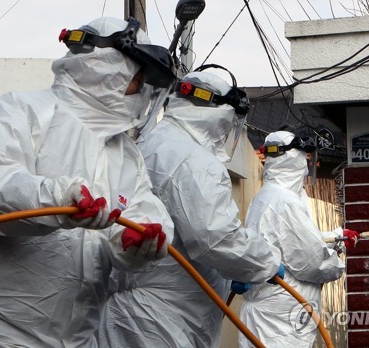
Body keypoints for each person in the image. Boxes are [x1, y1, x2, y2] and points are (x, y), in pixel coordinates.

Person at [0, 16, 177, 347]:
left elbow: (142, 208)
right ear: (109, 65)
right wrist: (57, 200)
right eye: (136, 75)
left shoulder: (124, 153)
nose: (140, 88)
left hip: (80, 336)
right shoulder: (19, 111)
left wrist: (140, 239)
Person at [98, 65, 283, 348]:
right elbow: (216, 238)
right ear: (221, 115)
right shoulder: (195, 161)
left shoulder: (149, 144)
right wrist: (265, 264)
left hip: (137, 310)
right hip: (163, 317)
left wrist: (231, 271)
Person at [237, 130, 359, 348]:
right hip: (281, 320)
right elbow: (312, 261)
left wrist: (335, 238)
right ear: (293, 159)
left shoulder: (267, 196)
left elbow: (290, 243)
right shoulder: (284, 202)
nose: (306, 166)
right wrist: (335, 262)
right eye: (305, 158)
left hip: (274, 312)